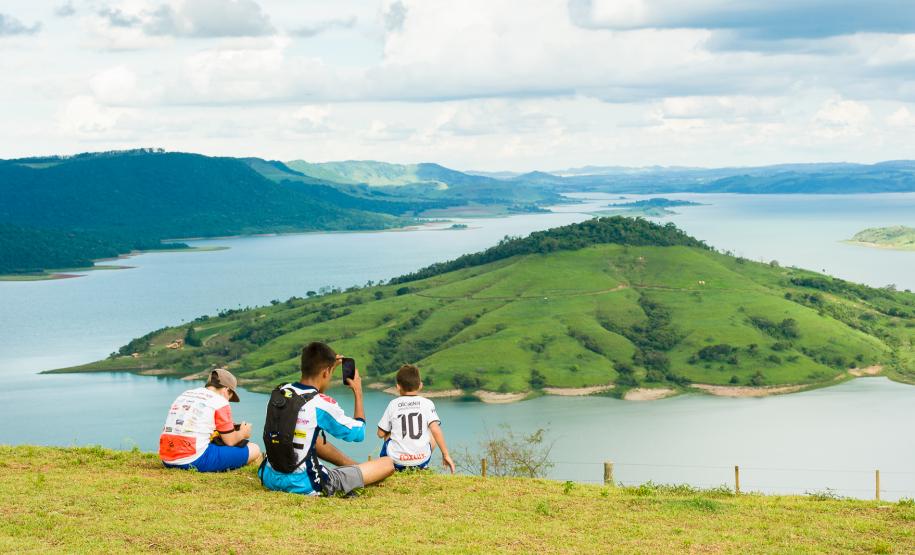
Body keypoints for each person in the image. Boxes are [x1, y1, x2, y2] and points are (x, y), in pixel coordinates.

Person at [258, 341, 394, 496]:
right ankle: (354, 470)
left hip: (269, 476)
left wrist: (329, 368)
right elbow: (359, 433)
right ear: (325, 372)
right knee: (387, 464)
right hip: (304, 484)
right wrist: (358, 391)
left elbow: (309, 393)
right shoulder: (320, 404)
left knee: (309, 437)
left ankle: (354, 466)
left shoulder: (281, 391)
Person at [159, 368, 261, 472]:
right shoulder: (220, 401)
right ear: (227, 390)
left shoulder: (186, 394)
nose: (228, 400)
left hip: (166, 458)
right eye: (230, 397)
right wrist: (243, 433)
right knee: (254, 449)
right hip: (193, 460)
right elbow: (230, 441)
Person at [377, 364, 455, 473]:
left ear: (398, 387)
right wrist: (445, 454)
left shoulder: (393, 404)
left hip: (396, 462)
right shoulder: (427, 403)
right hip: (421, 460)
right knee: (432, 429)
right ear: (420, 385)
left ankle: (387, 467)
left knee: (388, 433)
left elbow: (380, 434)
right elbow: (436, 429)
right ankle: (422, 466)